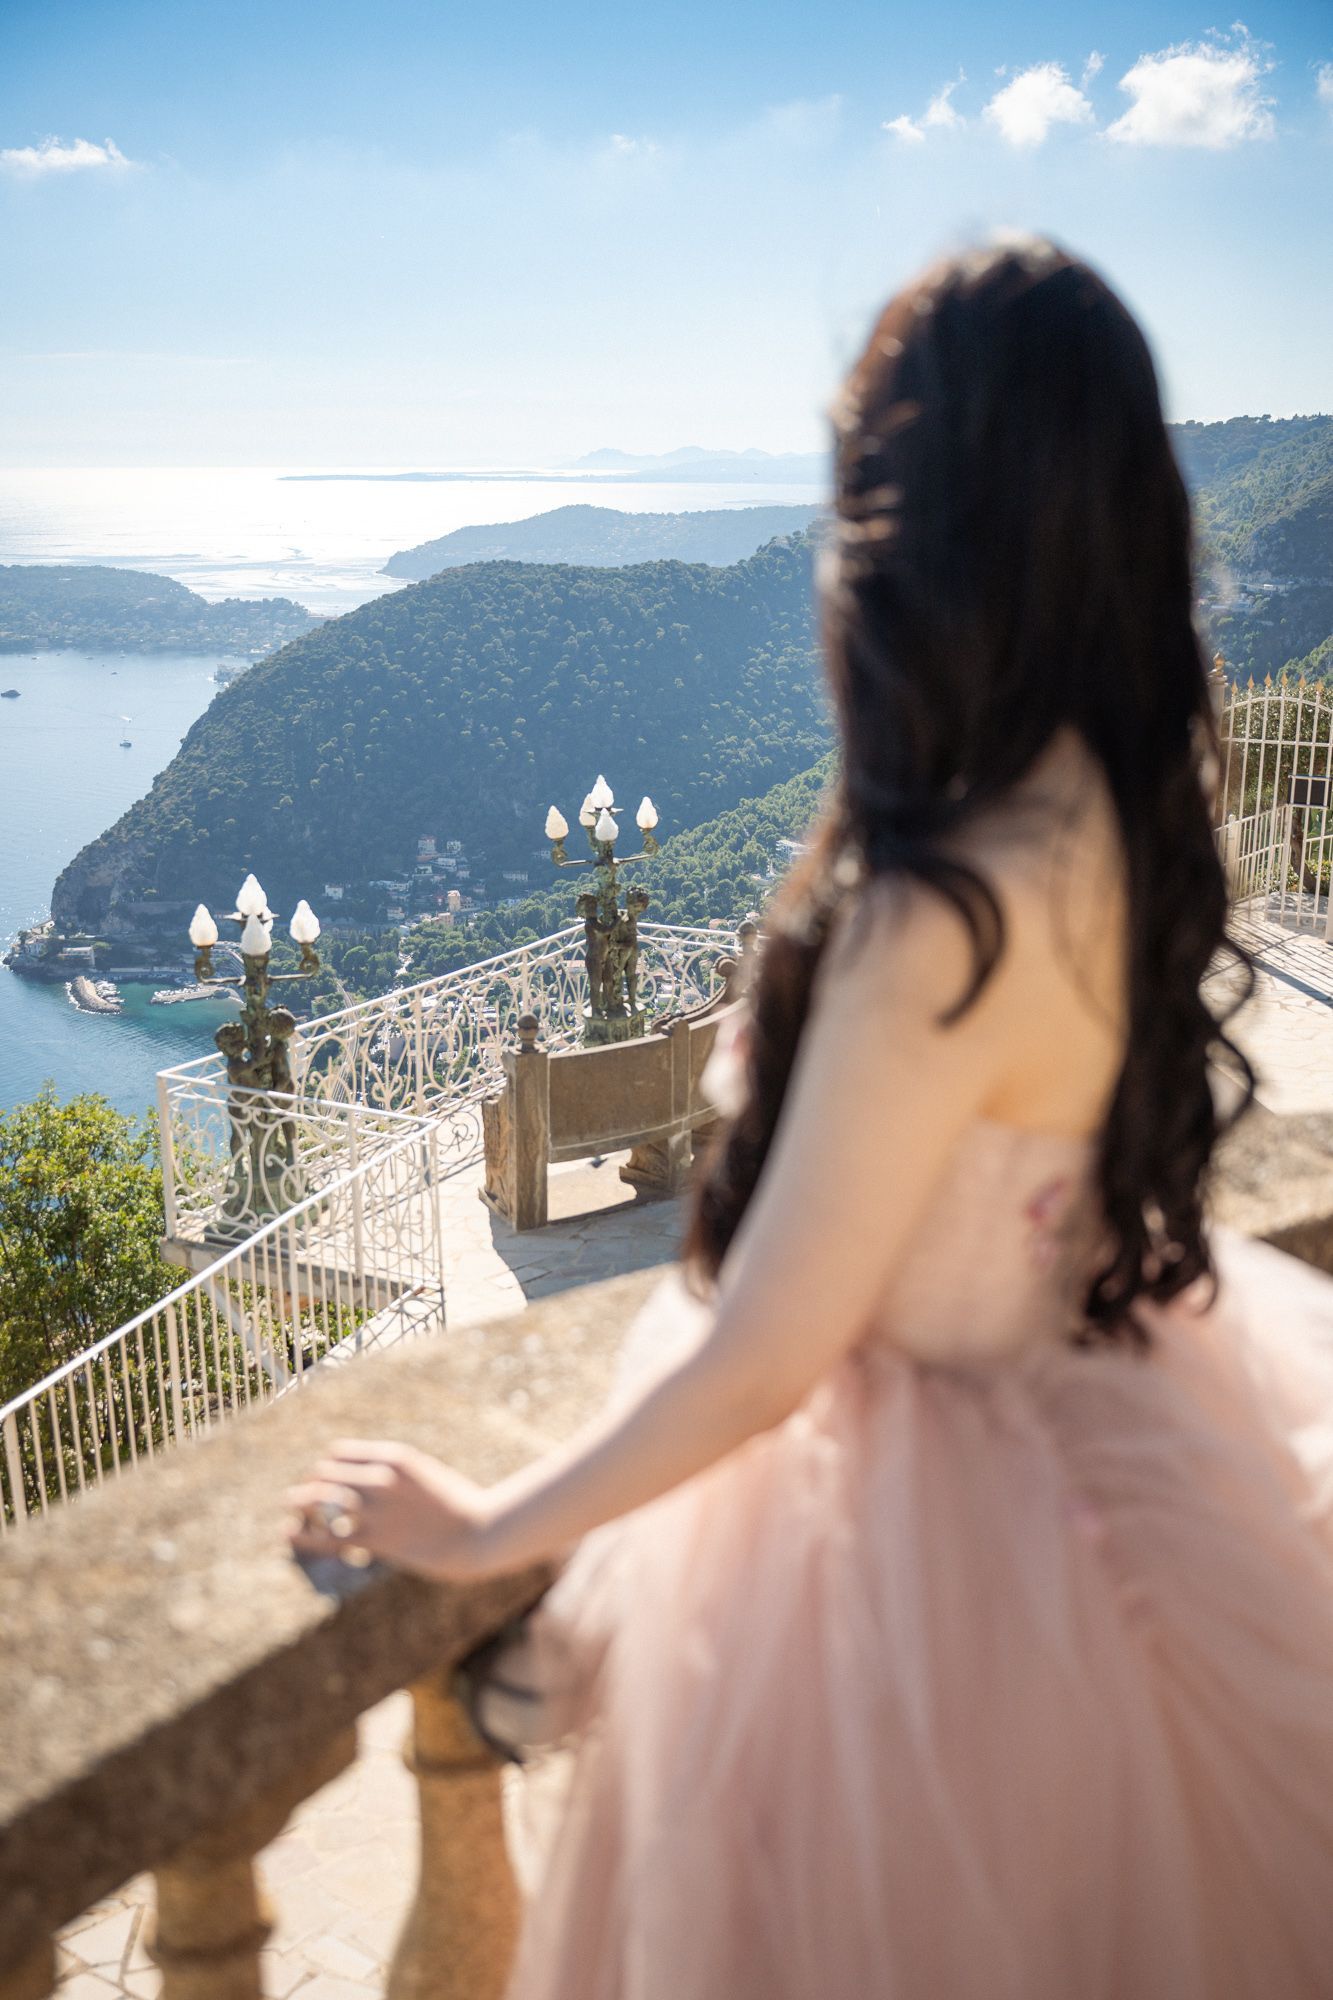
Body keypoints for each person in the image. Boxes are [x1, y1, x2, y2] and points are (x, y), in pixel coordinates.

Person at [288, 238, 1333, 1998]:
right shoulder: (1125, 798)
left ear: (907, 533)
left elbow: (767, 1353)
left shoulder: (937, 913)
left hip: (921, 1571)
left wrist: (479, 1534)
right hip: (1096, 1433)